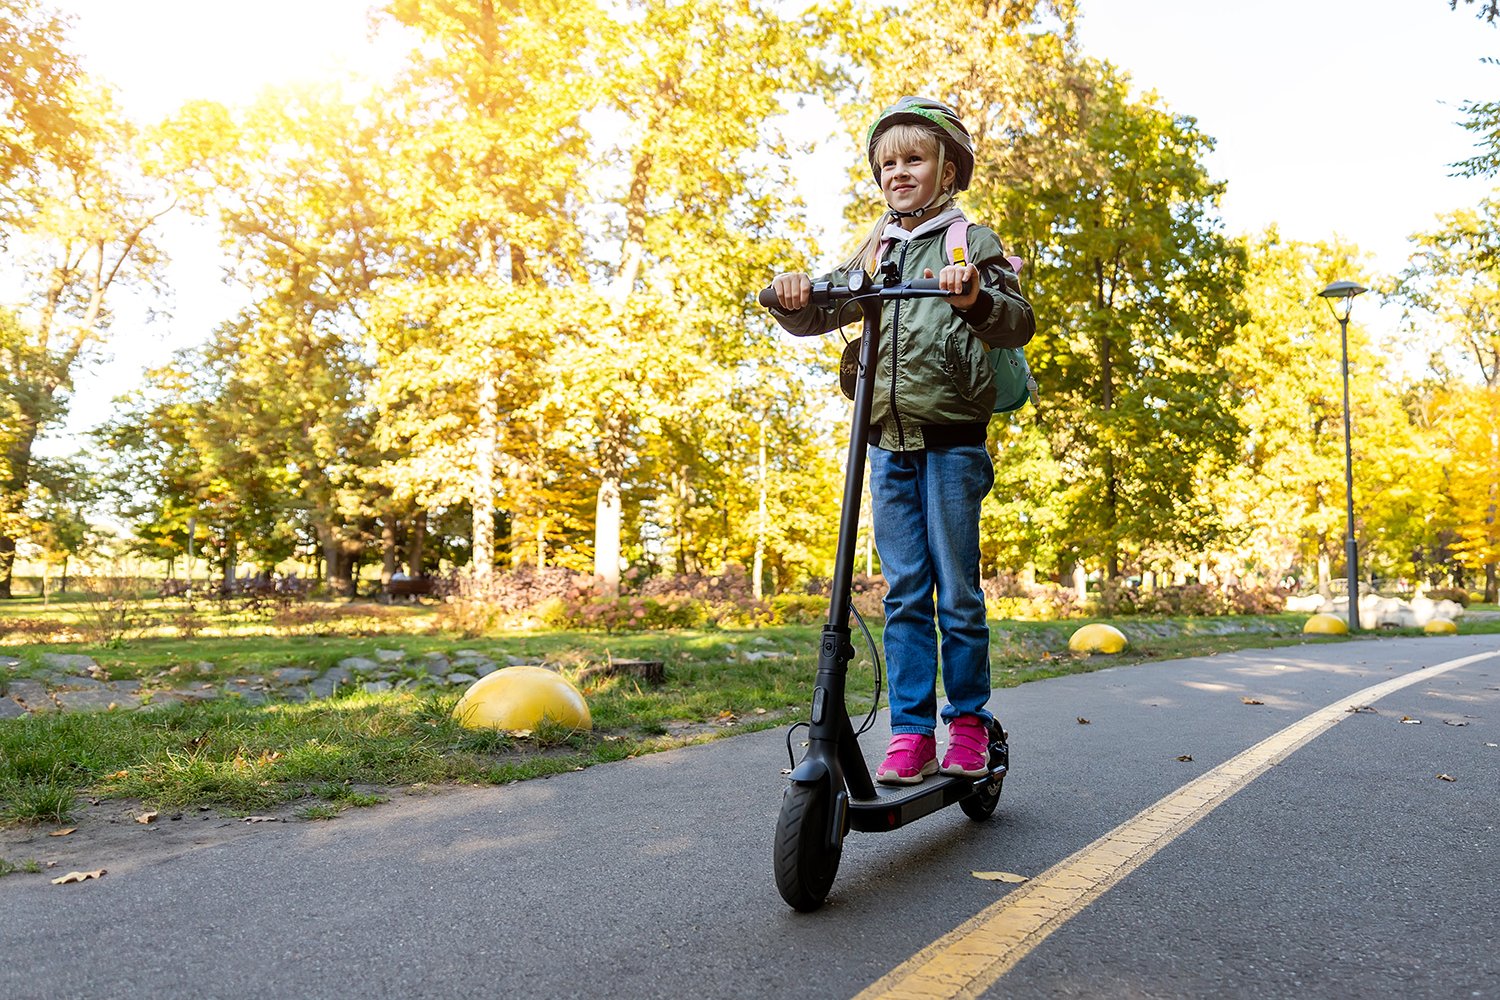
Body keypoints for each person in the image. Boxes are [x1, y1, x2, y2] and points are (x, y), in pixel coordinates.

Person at [766, 96, 1035, 785]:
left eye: (914, 159)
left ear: (949, 172)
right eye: (888, 163)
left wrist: (972, 295)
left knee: (957, 593)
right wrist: (797, 298)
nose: (899, 173)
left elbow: (1014, 321)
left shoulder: (969, 241)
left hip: (952, 442)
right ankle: (911, 732)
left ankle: (967, 721)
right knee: (906, 592)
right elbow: (834, 306)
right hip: (884, 445)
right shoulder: (876, 247)